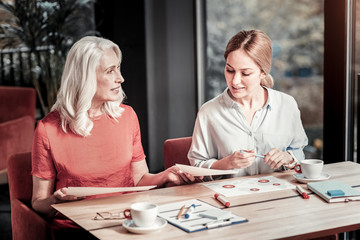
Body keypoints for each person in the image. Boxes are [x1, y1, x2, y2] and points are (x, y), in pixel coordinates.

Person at [31, 36, 198, 238]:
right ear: (86, 77)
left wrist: (166, 175)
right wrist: (56, 200)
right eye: (110, 71)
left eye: (118, 68)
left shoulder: (127, 116)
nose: (120, 78)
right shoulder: (47, 128)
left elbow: (139, 180)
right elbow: (39, 203)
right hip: (77, 229)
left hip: (126, 221)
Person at [188, 29, 308, 179]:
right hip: (229, 198)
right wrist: (227, 163)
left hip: (278, 194)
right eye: (230, 70)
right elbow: (197, 166)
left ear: (263, 72)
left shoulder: (287, 105)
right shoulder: (209, 112)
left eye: (245, 73)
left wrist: (288, 158)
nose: (235, 81)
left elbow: (299, 151)